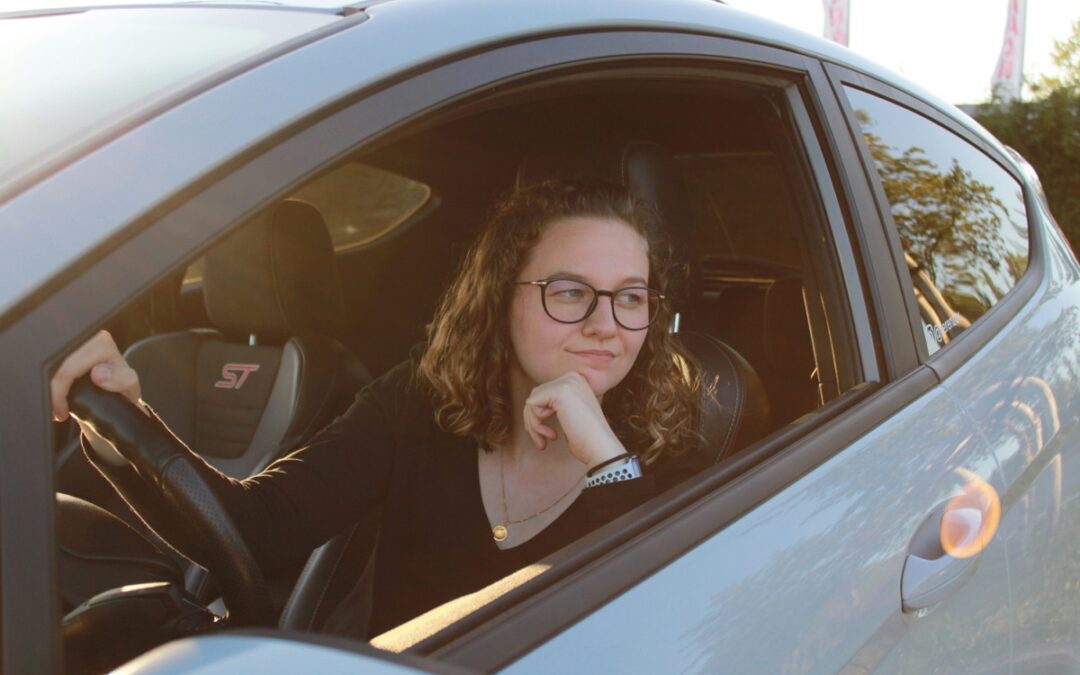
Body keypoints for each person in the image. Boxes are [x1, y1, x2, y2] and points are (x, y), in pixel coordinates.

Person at [50, 179, 704, 636]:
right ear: (500, 298)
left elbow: (664, 628)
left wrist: (604, 456)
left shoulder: (676, 448)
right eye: (570, 291)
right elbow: (257, 527)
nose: (605, 324)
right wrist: (116, 415)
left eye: (631, 297)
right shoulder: (418, 405)